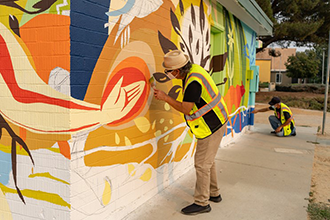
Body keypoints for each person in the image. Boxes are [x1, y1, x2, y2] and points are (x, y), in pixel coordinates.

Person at [153, 50, 229, 215]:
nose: (167, 74)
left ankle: (202, 203)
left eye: (168, 71)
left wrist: (166, 97)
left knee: (201, 165)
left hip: (210, 126)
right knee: (208, 162)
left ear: (177, 71)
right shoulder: (194, 70)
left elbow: (186, 109)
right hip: (217, 121)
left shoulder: (193, 83)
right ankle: (214, 193)